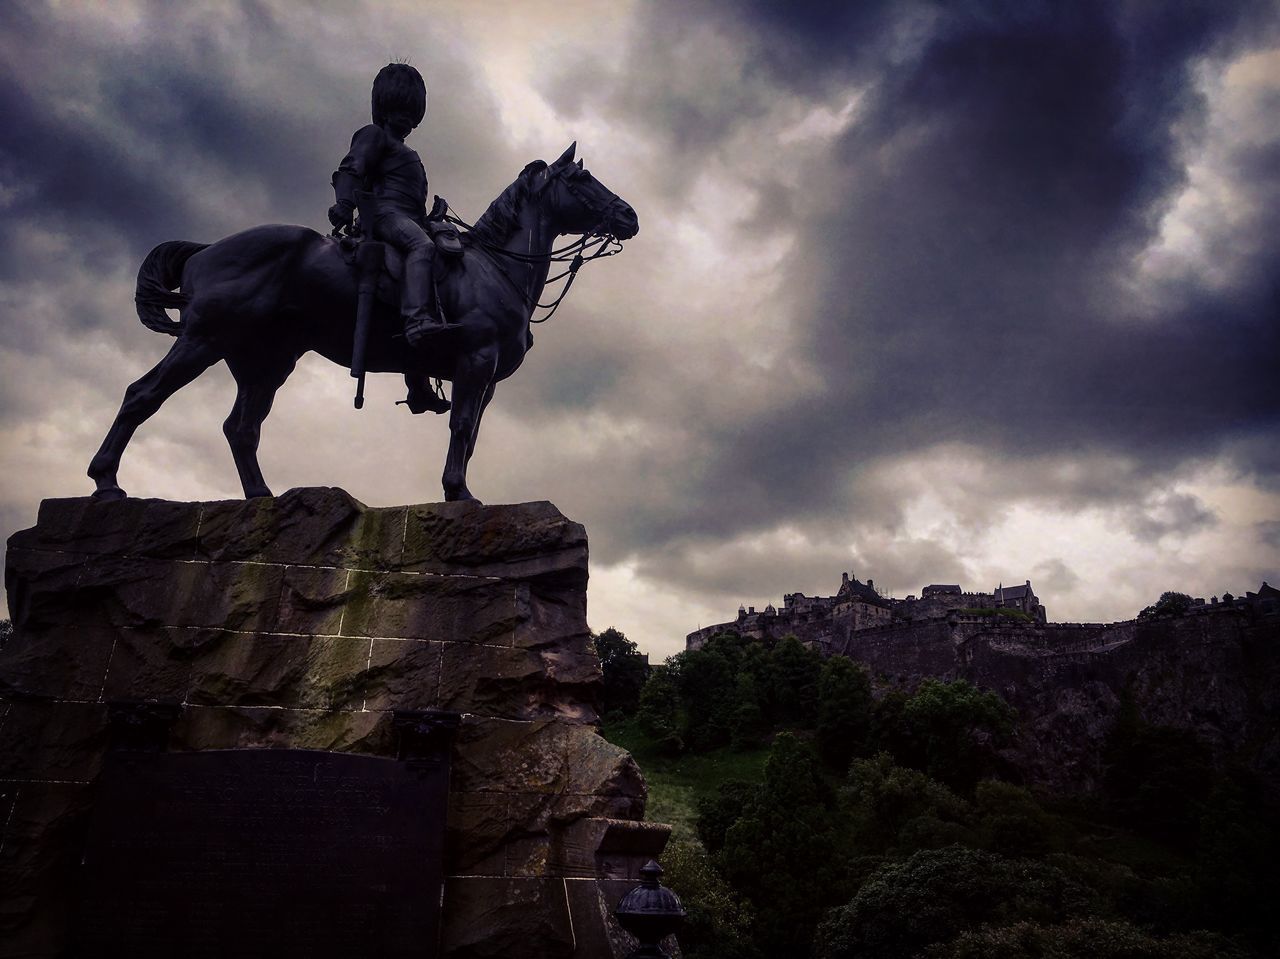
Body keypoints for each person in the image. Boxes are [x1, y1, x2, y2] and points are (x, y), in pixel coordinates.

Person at [329, 63, 444, 344]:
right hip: (383, 215)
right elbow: (351, 168)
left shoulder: (407, 152)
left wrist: (430, 217)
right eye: (399, 111)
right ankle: (416, 319)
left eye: (410, 113)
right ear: (385, 109)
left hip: (408, 219)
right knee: (422, 246)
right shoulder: (374, 135)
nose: (405, 119)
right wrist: (344, 202)